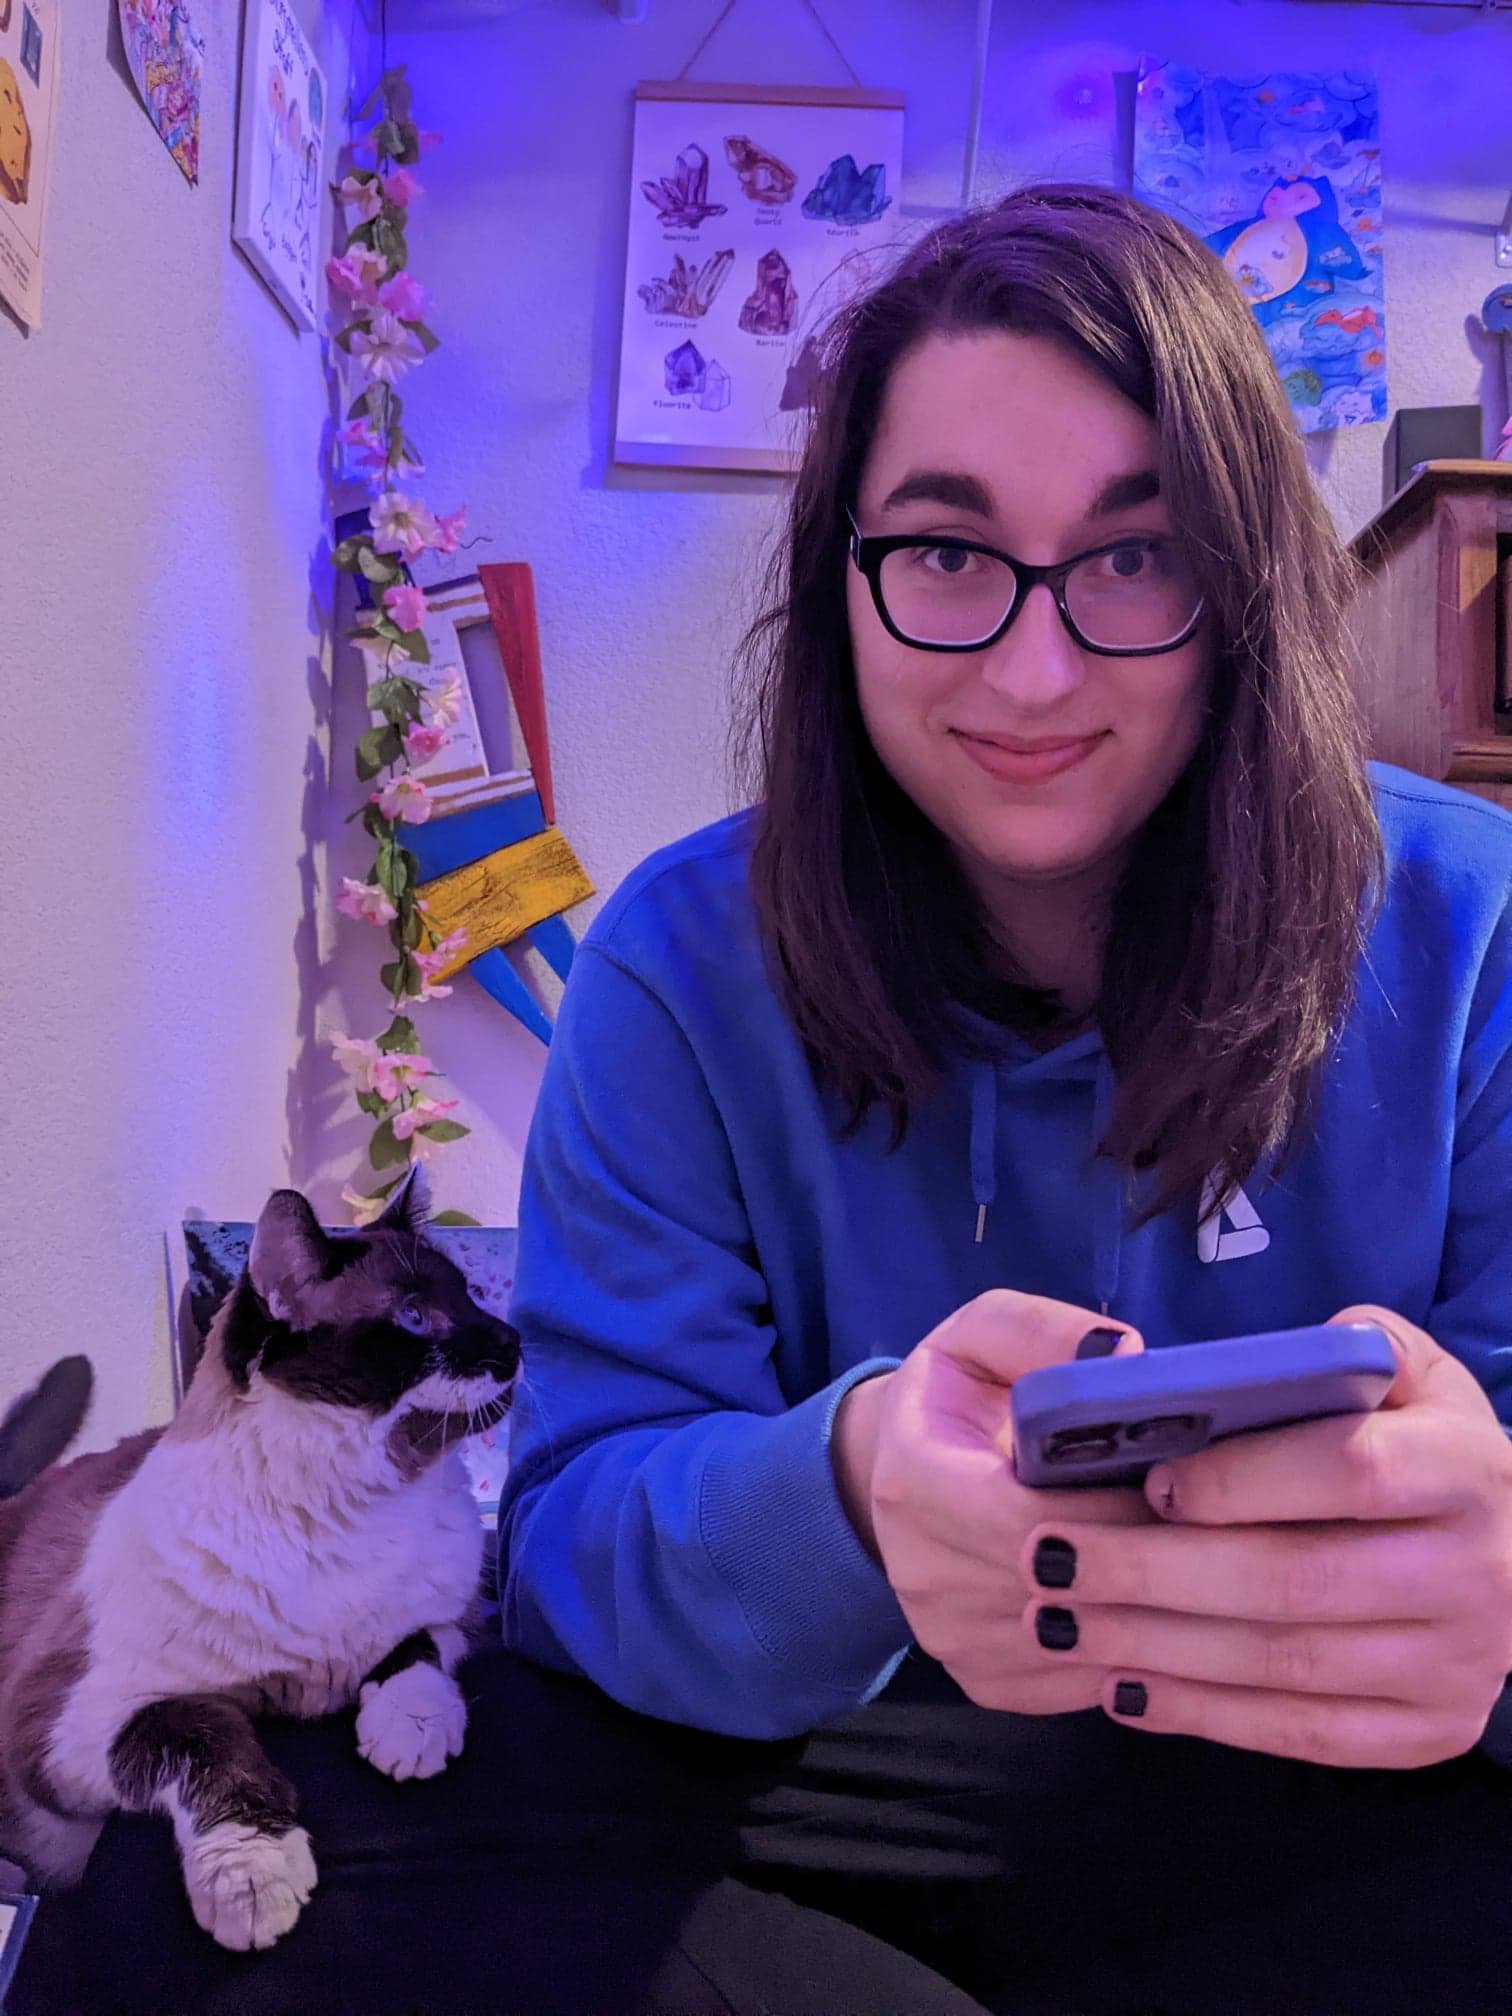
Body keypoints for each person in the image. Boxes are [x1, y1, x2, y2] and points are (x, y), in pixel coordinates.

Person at [16, 183, 1511, 2016]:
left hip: (1346, 1783)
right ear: (840, 588)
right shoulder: (675, 962)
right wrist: (858, 1484)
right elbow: (568, 1540)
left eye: (1135, 556)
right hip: (821, 1764)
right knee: (163, 1913)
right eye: (948, 553)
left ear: (1248, 585)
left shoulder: (1473, 926)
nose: (1034, 670)